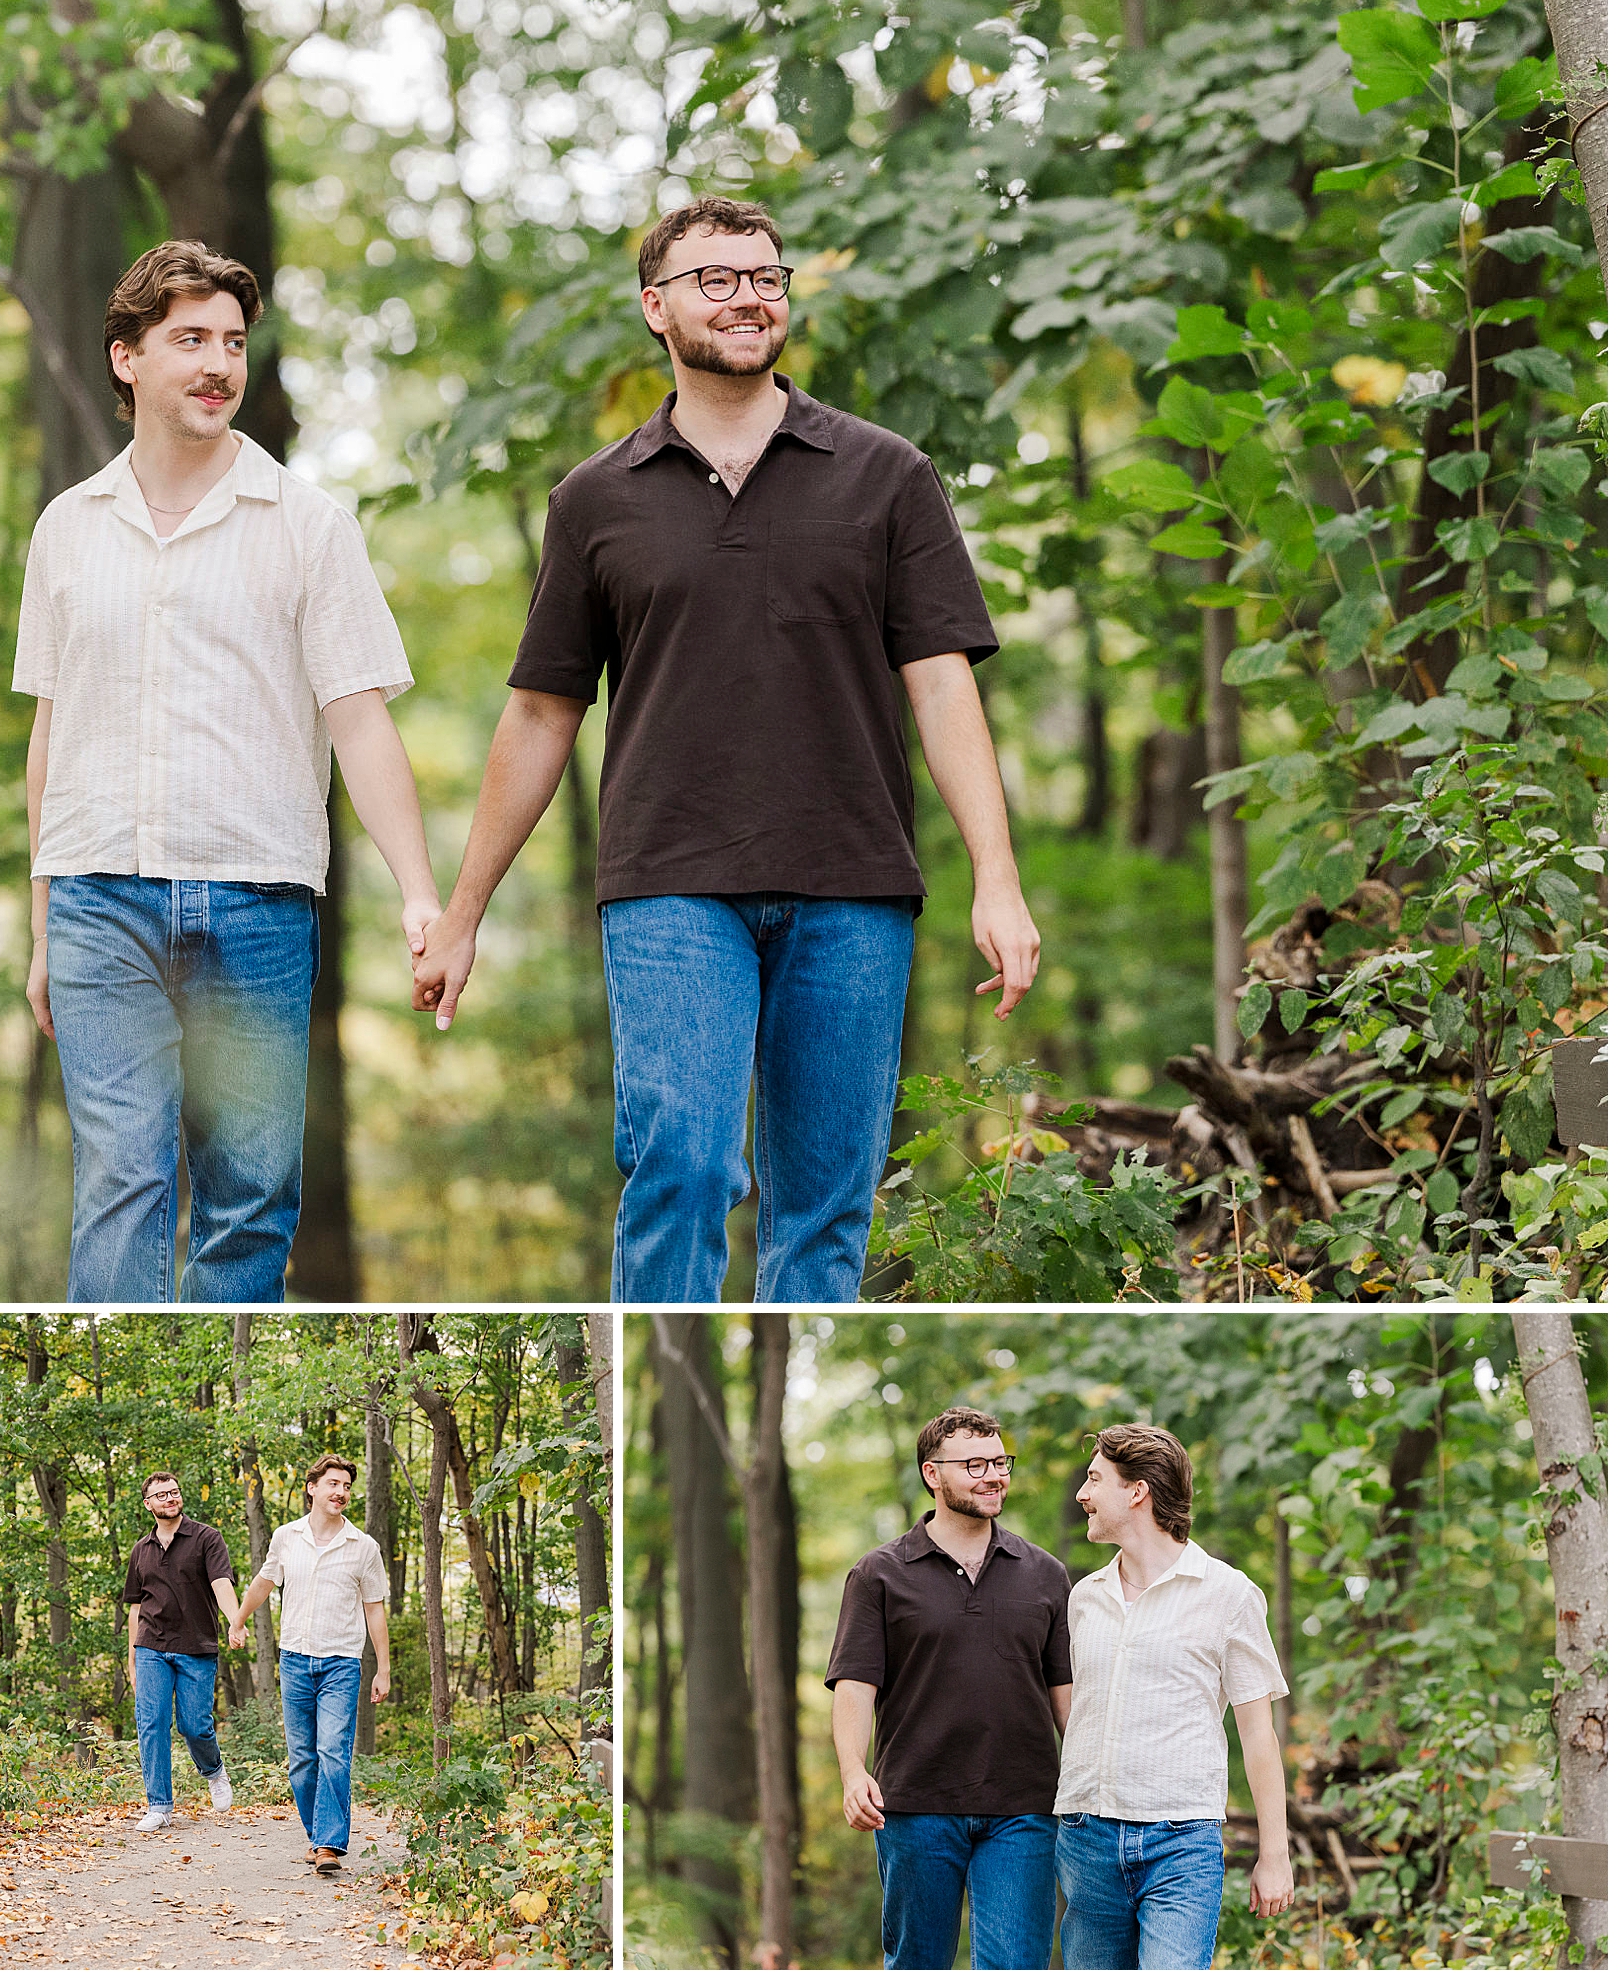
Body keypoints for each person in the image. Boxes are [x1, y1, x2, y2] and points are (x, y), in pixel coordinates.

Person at [410, 195, 1041, 1303]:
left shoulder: (886, 474)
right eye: (715, 278)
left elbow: (941, 686)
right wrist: (461, 913)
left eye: (766, 275)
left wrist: (997, 878)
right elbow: (540, 713)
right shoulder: (594, 499)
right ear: (654, 307)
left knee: (825, 1205)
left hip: (852, 882)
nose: (749, 295)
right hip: (668, 885)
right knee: (685, 1165)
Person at [14, 239, 439, 1302]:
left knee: (251, 1194)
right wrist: (40, 925)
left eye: (233, 343)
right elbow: (49, 735)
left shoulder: (305, 525)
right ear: (126, 358)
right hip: (97, 898)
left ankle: (224, 1396)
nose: (217, 365)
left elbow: (361, 721)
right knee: (122, 1179)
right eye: (189, 340)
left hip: (258, 902)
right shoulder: (68, 529)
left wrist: (420, 895)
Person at [827, 1406, 1073, 1970]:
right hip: (914, 1806)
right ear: (932, 1474)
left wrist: (1088, 1782)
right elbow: (855, 1684)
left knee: (1018, 1965)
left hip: (1025, 1809)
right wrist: (851, 1772)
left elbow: (1066, 1694)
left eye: (1000, 1462)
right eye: (975, 1464)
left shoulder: (1046, 1574)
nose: (994, 1475)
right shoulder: (879, 1574)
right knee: (918, 1963)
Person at [1056, 1424, 1295, 1969]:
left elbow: (1258, 1734)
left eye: (1095, 1479)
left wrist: (1274, 1853)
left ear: (1137, 1491)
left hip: (1180, 1844)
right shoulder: (1084, 1598)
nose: (1082, 1494)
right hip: (1084, 1837)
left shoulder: (1229, 1596)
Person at [229, 1453, 391, 1874]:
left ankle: (328, 1845)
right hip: (296, 1660)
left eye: (347, 1487)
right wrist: (239, 1620)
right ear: (312, 1488)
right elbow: (264, 1582)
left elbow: (374, 1609)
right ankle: (317, 1836)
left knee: (333, 1752)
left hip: (341, 1662)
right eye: (333, 1484)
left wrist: (383, 1668)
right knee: (302, 1760)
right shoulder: (286, 1537)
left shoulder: (364, 1547)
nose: (341, 1492)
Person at [123, 1472, 239, 1832]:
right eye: (161, 1495)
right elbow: (135, 1606)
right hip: (151, 1645)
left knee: (194, 1725)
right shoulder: (140, 1551)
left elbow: (221, 1583)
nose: (170, 1498)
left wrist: (236, 1620)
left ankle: (214, 1771)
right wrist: (131, 1658)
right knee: (152, 1722)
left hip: (196, 1645)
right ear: (149, 1505)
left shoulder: (207, 1538)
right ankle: (159, 1806)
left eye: (174, 1492)